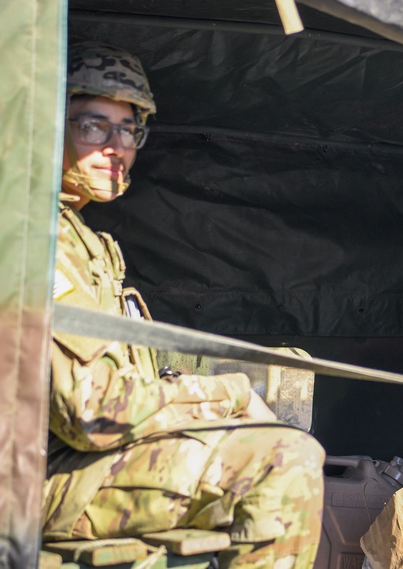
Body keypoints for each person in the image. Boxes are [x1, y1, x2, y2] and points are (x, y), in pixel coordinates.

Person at [44, 42, 325, 568]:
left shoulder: (80, 238)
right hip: (38, 482)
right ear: (46, 123)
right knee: (284, 460)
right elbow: (95, 414)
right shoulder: (31, 236)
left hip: (77, 465)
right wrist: (231, 395)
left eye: (129, 130)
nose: (115, 147)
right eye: (93, 126)